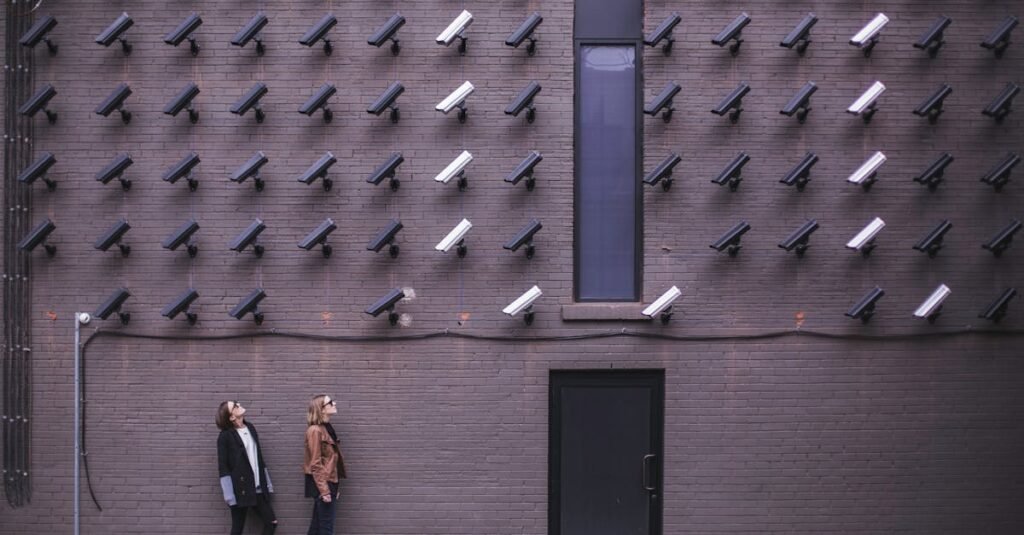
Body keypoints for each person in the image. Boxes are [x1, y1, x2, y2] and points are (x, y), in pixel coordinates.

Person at [216, 401, 278, 535]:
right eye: (235, 406)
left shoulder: (250, 428)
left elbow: (258, 458)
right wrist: (229, 495)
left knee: (271, 523)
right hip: (239, 490)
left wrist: (266, 483)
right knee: (237, 528)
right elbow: (223, 467)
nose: (239, 405)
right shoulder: (225, 436)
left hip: (257, 487)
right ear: (231, 417)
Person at [303, 394, 347, 535]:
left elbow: (332, 461)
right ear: (321, 409)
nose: (334, 403)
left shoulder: (326, 428)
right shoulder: (315, 430)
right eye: (330, 402)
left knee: (316, 527)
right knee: (326, 528)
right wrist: (325, 490)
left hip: (329, 482)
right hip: (323, 483)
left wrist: (335, 485)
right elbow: (315, 463)